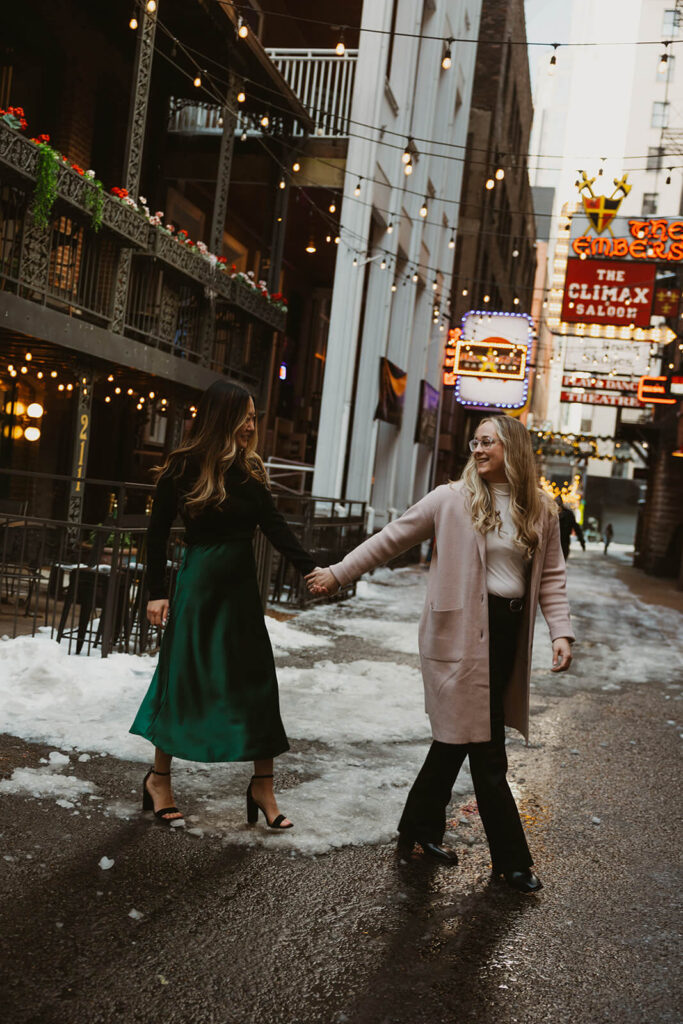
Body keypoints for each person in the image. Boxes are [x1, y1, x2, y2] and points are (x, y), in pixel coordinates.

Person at [306, 416, 574, 894]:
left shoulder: (542, 511)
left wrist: (561, 633)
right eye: (475, 441)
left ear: (512, 448)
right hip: (459, 636)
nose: (478, 448)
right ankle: (511, 861)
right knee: (488, 752)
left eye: (488, 441)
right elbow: (393, 537)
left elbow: (551, 577)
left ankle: (417, 829)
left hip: (507, 633)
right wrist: (339, 573)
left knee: (455, 741)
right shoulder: (451, 499)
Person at [130, 380, 315, 830]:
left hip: (240, 593)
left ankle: (263, 787)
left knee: (257, 683)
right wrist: (156, 592)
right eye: (246, 417)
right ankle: (160, 781)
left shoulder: (250, 471)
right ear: (223, 418)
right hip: (198, 589)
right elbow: (156, 537)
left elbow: (275, 527)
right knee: (184, 681)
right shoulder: (183, 467)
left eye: (255, 418)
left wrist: (312, 571)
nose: (252, 426)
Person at [556, 496, 585, 560]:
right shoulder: (550, 513)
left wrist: (582, 542)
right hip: (556, 543)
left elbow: (576, 528)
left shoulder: (568, 514)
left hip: (563, 543)